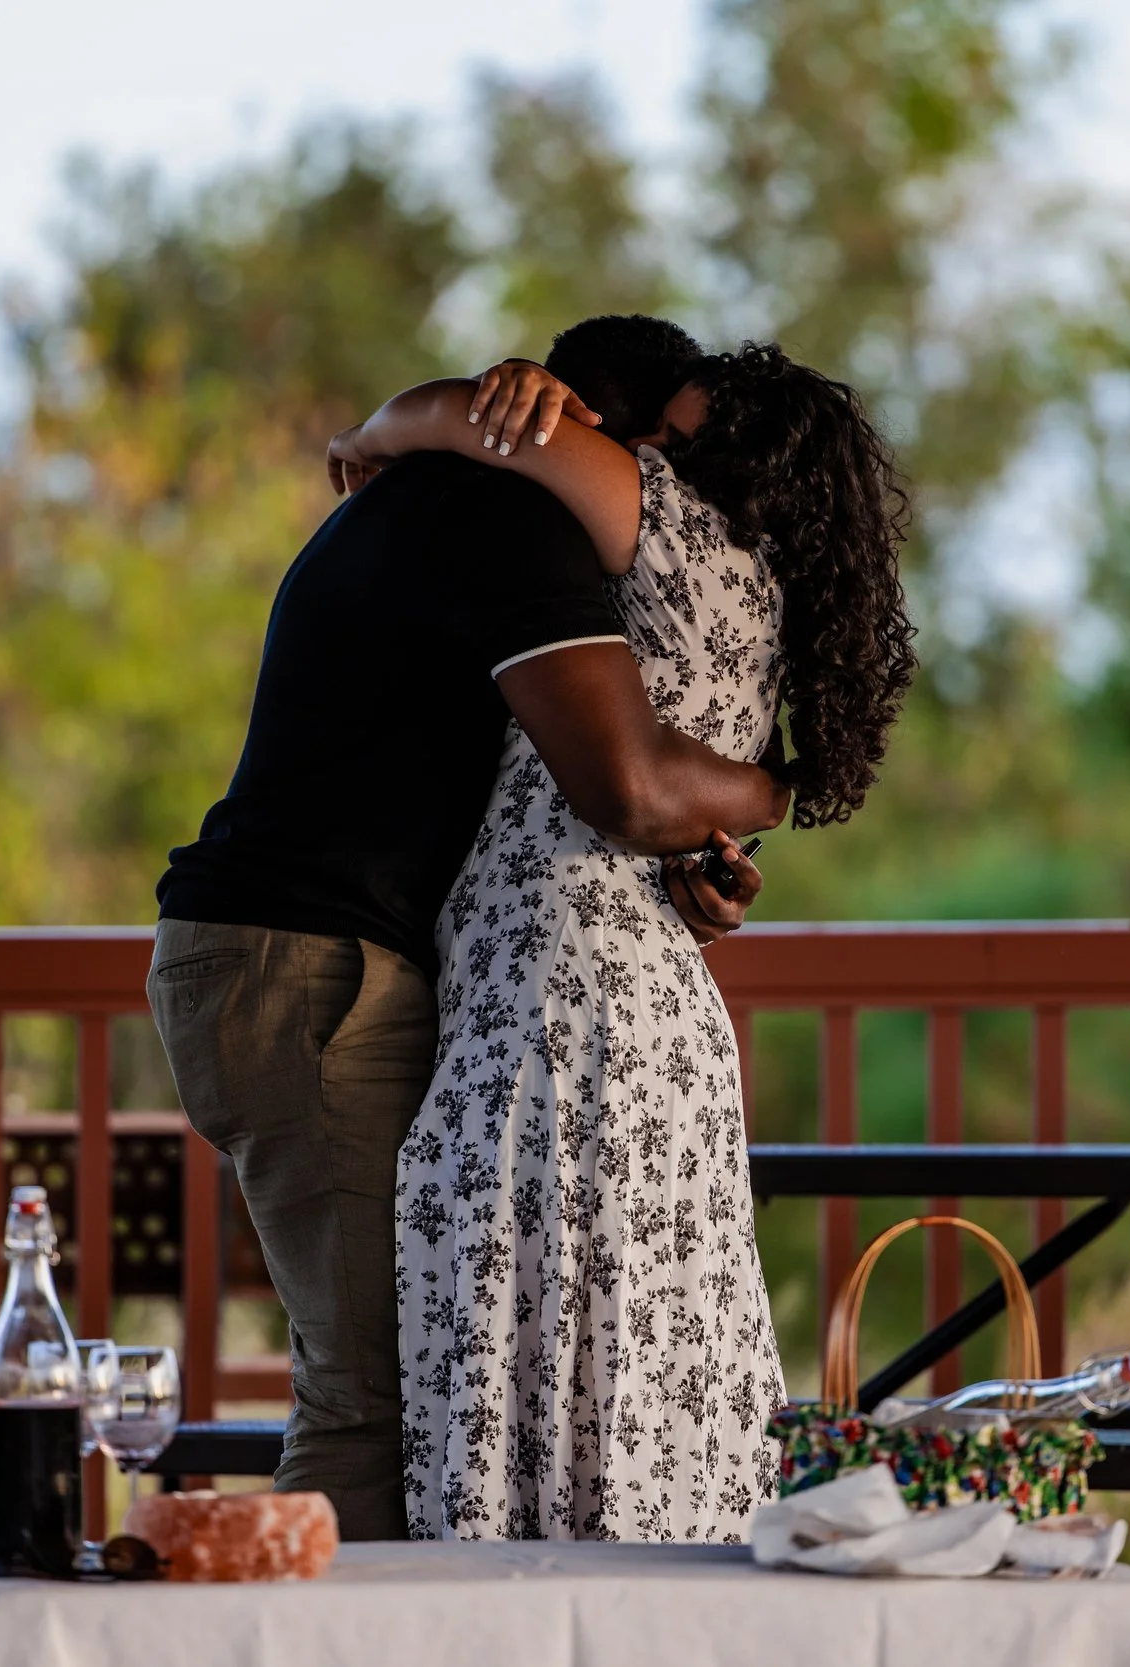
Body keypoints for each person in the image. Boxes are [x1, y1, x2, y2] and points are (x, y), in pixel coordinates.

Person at [149, 316, 785, 1542]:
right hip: (311, 967)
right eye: (672, 467)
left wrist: (691, 883)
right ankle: (314, 1632)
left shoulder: (456, 498)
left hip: (285, 955)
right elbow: (626, 787)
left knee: (397, 1385)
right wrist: (786, 786)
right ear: (603, 443)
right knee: (377, 1405)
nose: (681, 509)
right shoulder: (507, 519)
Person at [327, 338, 916, 1540]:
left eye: (675, 438)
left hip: (555, 997)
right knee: (642, 1370)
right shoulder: (765, 595)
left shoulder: (668, 518)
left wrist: (365, 435)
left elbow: (472, 419)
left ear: (735, 466)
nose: (641, 446)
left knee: (521, 1342)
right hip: (653, 1010)